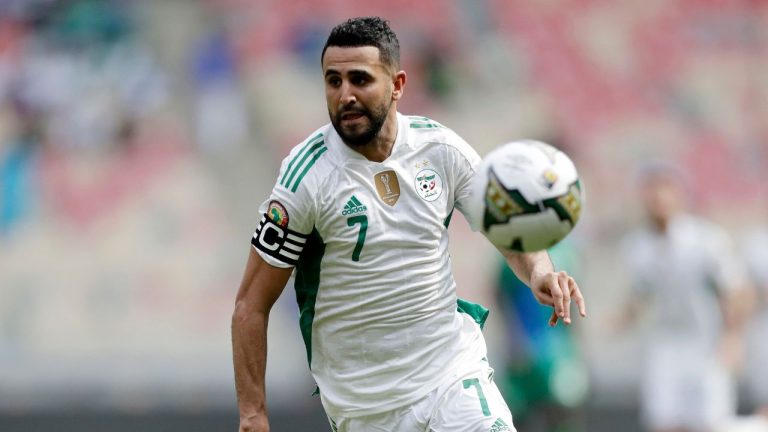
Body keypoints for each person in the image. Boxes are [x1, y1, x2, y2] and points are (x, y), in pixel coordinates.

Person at [231, 17, 586, 432]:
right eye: (333, 81)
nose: (345, 95)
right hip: (366, 406)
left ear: (397, 85)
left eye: (360, 79)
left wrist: (540, 270)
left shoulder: (441, 150)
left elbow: (506, 226)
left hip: (449, 373)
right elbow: (250, 306)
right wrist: (253, 412)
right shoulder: (304, 178)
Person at [617, 162, 750, 432]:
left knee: (710, 422)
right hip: (664, 345)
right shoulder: (636, 246)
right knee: (664, 422)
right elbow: (640, 295)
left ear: (679, 194)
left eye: (664, 188)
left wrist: (732, 337)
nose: (658, 197)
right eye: (651, 189)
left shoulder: (707, 240)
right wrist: (618, 320)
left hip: (705, 342)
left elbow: (734, 290)